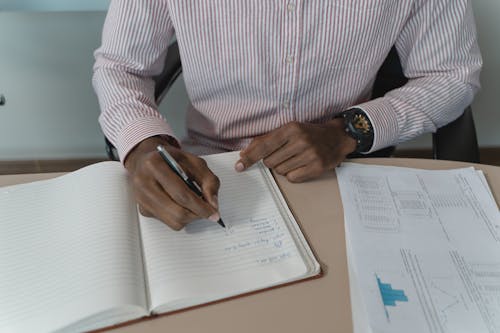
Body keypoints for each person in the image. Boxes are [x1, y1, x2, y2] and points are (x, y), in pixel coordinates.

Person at [93, 0, 482, 230]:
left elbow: (451, 76)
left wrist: (346, 131)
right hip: (210, 169)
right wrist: (144, 146)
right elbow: (121, 68)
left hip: (345, 169)